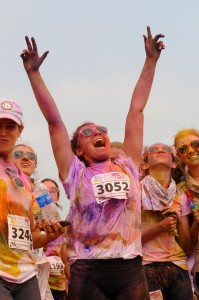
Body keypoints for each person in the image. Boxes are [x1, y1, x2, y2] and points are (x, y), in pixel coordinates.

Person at [20, 26, 165, 299]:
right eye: (88, 132)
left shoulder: (128, 163)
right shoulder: (74, 173)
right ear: (78, 150)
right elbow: (55, 122)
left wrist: (150, 61)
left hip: (130, 267)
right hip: (88, 270)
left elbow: (136, 109)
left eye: (101, 130)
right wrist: (34, 74)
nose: (97, 133)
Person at [0, 98, 64, 300]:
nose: (3, 133)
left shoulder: (26, 183)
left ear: (20, 130)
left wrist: (52, 235)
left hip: (25, 274)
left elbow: (32, 238)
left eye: (10, 127)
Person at [141, 142, 193, 300]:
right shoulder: (135, 192)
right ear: (144, 164)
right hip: (146, 266)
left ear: (174, 163)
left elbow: (186, 246)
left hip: (178, 266)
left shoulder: (181, 196)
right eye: (154, 149)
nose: (161, 150)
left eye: (167, 150)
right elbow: (127, 241)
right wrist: (160, 227)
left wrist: (178, 222)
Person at [13, 143, 54, 300]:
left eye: (31, 156)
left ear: (35, 164)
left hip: (35, 261)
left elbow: (52, 219)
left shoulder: (41, 190)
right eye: (18, 154)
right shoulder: (4, 184)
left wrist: (53, 228)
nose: (25, 158)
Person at [174, 129, 199, 299]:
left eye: (195, 144)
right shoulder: (179, 191)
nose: (190, 150)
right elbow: (185, 247)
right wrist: (197, 222)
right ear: (178, 155)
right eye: (183, 149)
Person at [42, 178, 69, 300]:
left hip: (59, 287)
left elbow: (66, 261)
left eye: (53, 190)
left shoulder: (63, 227)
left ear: (57, 196)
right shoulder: (33, 224)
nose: (49, 193)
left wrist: (71, 284)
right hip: (41, 285)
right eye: (44, 190)